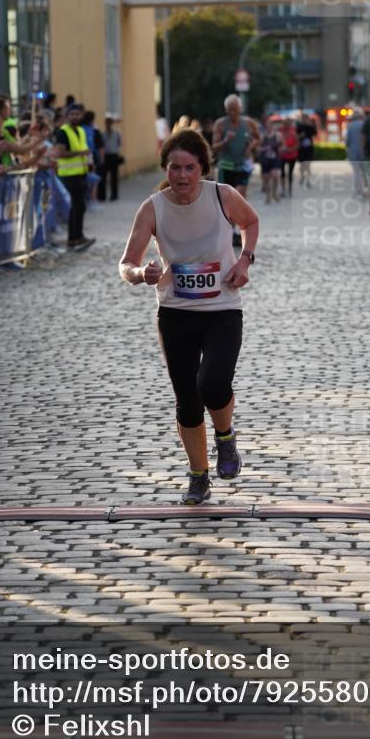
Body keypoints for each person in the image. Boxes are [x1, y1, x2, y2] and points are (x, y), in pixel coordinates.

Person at [119, 129, 259, 505]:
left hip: (222, 308)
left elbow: (251, 223)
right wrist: (140, 274)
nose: (182, 176)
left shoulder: (222, 195)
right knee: (187, 399)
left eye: (190, 168)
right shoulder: (153, 207)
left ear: (202, 168)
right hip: (175, 313)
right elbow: (126, 263)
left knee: (212, 383)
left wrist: (244, 260)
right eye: (175, 168)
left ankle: (225, 437)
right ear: (166, 168)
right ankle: (198, 476)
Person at [55, 103, 95, 251]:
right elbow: (60, 153)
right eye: (72, 114)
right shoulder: (62, 132)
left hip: (81, 173)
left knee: (81, 206)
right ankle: (73, 238)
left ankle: (79, 236)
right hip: (68, 175)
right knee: (75, 207)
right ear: (67, 116)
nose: (74, 117)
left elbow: (84, 150)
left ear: (81, 115)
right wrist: (80, 154)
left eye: (77, 114)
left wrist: (88, 162)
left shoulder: (81, 130)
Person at [212, 94, 260, 199]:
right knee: (226, 197)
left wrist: (250, 147)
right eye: (230, 110)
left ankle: (240, 215)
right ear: (226, 109)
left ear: (240, 108)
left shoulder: (248, 123)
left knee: (240, 194)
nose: (232, 112)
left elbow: (258, 138)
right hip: (226, 165)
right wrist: (225, 140)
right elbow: (214, 147)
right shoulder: (220, 124)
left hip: (242, 164)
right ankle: (228, 215)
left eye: (235, 109)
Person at [257, 116, 281, 203]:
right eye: (267, 125)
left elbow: (281, 145)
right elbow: (257, 148)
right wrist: (265, 149)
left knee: (275, 176)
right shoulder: (262, 136)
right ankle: (268, 196)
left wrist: (279, 145)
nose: (269, 127)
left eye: (270, 125)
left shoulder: (277, 135)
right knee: (266, 179)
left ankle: (274, 193)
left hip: (274, 159)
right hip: (265, 159)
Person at [99, 114, 122, 202]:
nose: (108, 124)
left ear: (112, 123)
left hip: (114, 155)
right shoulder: (103, 134)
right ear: (105, 123)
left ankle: (114, 195)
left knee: (114, 177)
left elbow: (119, 144)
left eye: (110, 122)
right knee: (103, 177)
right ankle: (102, 196)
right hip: (105, 156)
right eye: (107, 122)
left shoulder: (116, 133)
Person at [344, 110, 365, 198]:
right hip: (364, 152)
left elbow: (347, 141)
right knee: (365, 173)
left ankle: (358, 190)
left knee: (356, 173)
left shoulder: (350, 126)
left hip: (353, 152)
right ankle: (366, 190)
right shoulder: (364, 124)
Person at [278, 119, 298, 198]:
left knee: (290, 173)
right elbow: (277, 143)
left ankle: (289, 189)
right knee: (282, 173)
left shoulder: (293, 133)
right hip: (282, 155)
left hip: (292, 155)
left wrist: (290, 149)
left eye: (287, 124)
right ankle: (283, 189)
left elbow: (297, 145)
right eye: (285, 124)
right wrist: (280, 148)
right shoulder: (280, 133)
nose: (286, 126)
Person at [296, 114, 317, 187]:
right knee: (302, 165)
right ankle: (302, 177)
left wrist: (311, 126)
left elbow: (315, 134)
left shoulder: (310, 127)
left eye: (306, 119)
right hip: (301, 148)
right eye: (303, 119)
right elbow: (296, 136)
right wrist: (300, 136)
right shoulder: (299, 127)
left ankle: (308, 180)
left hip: (309, 148)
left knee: (307, 164)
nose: (304, 120)